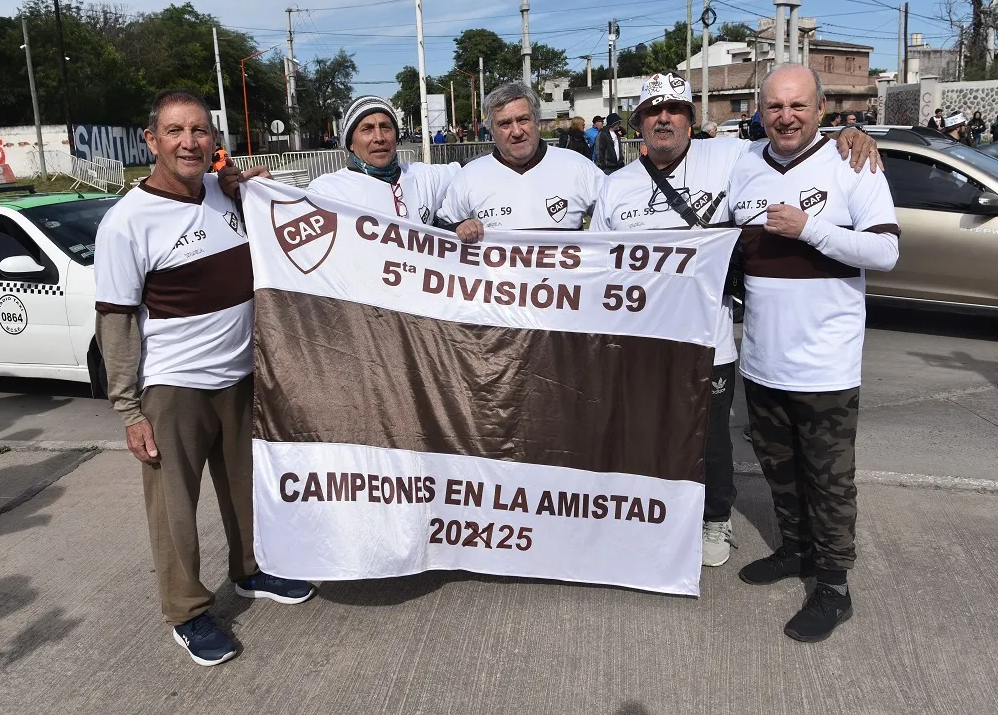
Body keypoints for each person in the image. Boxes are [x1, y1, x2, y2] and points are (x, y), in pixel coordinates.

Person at [589, 70, 882, 570]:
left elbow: (791, 140)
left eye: (675, 110)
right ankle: (649, 518)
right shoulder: (615, 187)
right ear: (639, 122)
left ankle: (715, 518)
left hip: (712, 338)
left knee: (711, 438)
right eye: (654, 111)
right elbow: (594, 265)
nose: (664, 119)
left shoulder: (731, 157)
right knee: (642, 432)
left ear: (691, 119)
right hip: (642, 341)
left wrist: (847, 135)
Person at [94, 89, 316, 668]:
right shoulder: (126, 223)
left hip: (240, 376)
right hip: (175, 387)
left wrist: (253, 188)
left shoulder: (226, 193)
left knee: (248, 489)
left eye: (200, 131)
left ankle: (250, 570)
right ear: (152, 140)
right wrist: (129, 410)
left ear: (215, 141)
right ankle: (188, 611)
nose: (189, 142)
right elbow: (114, 321)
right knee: (174, 509)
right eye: (175, 131)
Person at [726, 64, 900, 643]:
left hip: (826, 363)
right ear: (759, 109)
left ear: (821, 110)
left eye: (798, 106)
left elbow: (885, 252)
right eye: (775, 106)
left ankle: (833, 586)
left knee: (829, 480)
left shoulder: (853, 161)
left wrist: (811, 230)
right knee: (780, 469)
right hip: (761, 360)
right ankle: (795, 551)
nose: (786, 117)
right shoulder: (742, 162)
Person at [436, 82, 606, 241]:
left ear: (537, 122)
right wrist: (458, 227)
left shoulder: (578, 167)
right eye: (505, 124)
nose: (517, 131)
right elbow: (440, 234)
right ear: (492, 131)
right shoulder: (469, 176)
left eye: (523, 119)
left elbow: (616, 218)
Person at [303, 95, 461, 224]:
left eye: (385, 127)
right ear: (350, 143)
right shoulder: (328, 192)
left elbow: (475, 168)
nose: (379, 138)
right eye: (367, 129)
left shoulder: (423, 177)